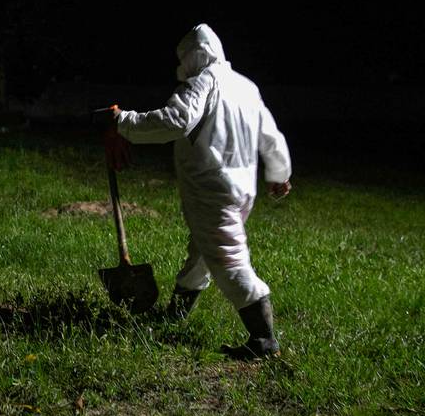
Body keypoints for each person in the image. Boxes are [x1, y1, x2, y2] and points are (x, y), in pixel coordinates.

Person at [105, 23, 292, 360]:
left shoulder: (203, 82)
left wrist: (124, 122)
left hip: (212, 189)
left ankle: (264, 339)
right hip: (241, 191)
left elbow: (176, 120)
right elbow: (271, 135)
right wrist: (280, 173)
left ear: (194, 55)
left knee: (229, 261)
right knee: (203, 254)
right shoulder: (246, 87)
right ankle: (175, 315)